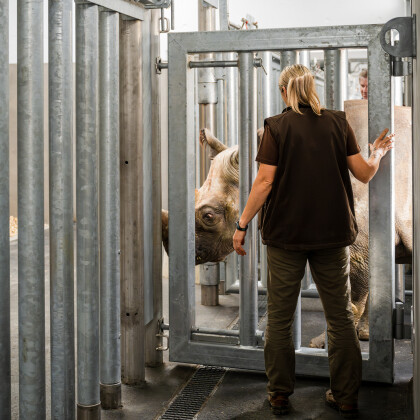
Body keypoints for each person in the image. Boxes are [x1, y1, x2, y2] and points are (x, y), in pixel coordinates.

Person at [232, 64, 394, 418]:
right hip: (333, 237)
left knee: (279, 318)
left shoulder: (274, 127)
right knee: (340, 317)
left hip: (285, 237)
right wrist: (378, 153)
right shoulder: (338, 122)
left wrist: (241, 224)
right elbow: (364, 173)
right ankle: (346, 396)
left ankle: (279, 396)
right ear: (312, 88)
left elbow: (263, 183)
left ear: (283, 91)